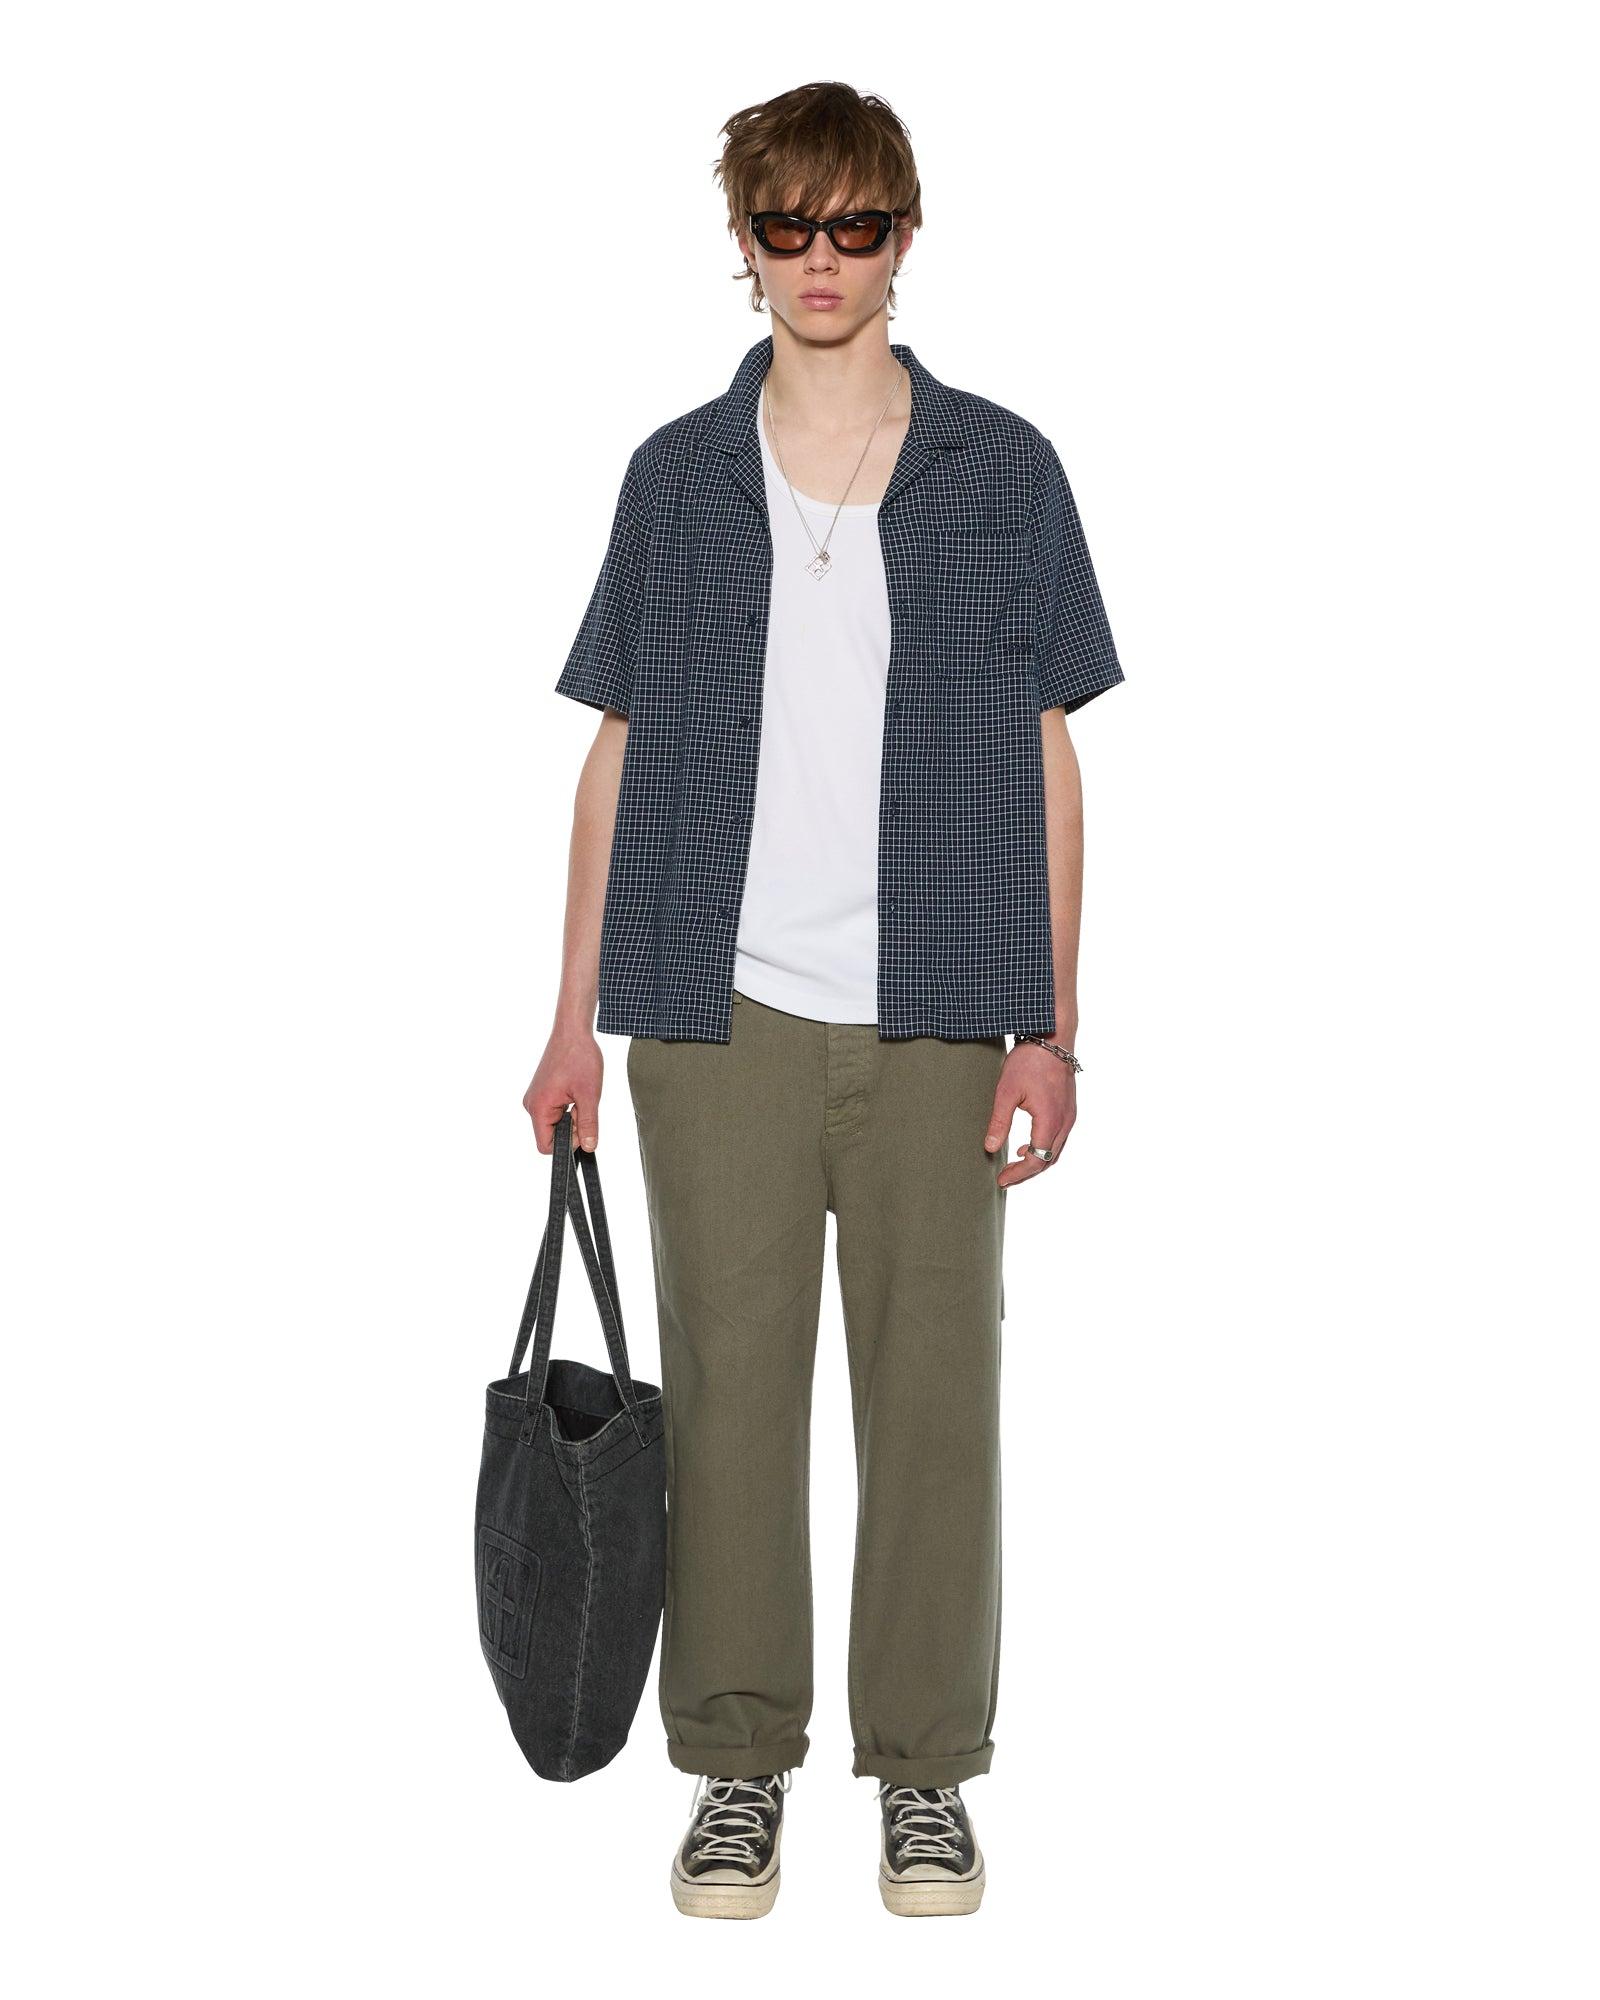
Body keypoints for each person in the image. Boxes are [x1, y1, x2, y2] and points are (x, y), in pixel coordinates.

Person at [524, 79, 1126, 1919]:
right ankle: (736, 1761)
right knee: (727, 1401)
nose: (820, 260)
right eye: (785, 227)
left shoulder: (1004, 469)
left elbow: (1053, 759)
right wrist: (569, 1020)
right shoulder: (673, 477)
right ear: (746, 241)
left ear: (903, 237)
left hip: (942, 1013)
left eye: (853, 226)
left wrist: (1052, 1027)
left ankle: (926, 1772)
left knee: (937, 1403)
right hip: (715, 1017)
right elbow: (616, 752)